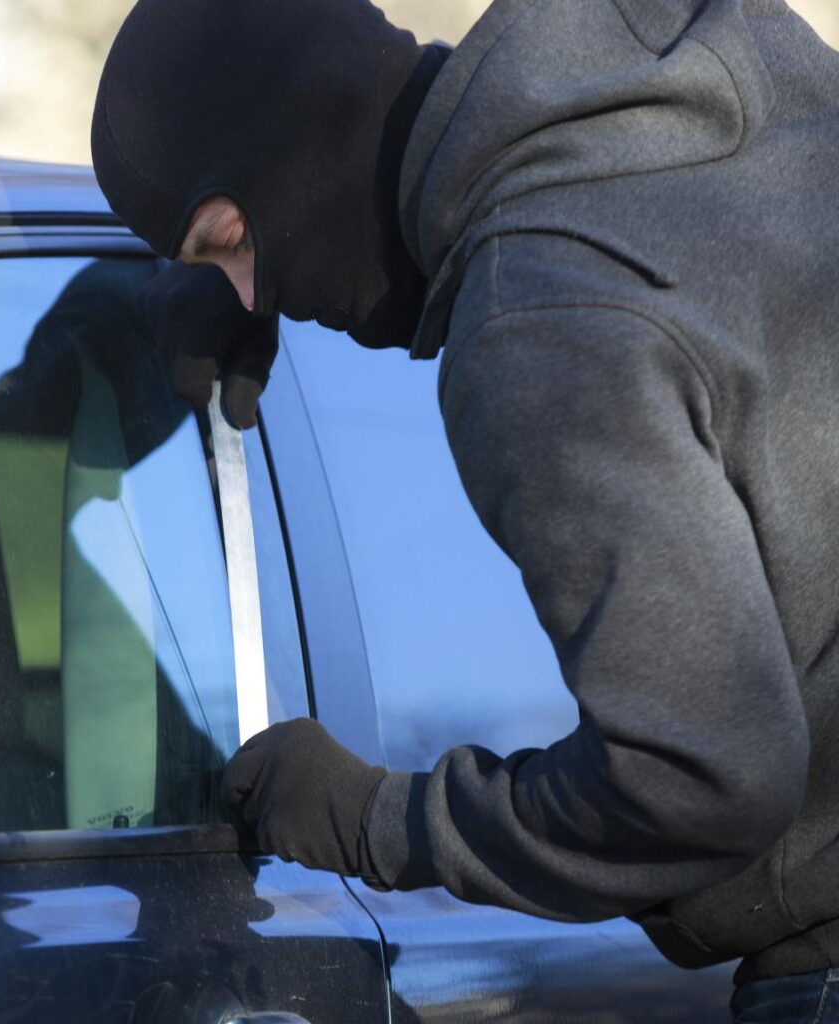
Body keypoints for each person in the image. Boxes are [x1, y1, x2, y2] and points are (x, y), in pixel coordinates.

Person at [89, 0, 839, 1017]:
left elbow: (702, 777)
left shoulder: (537, 331)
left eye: (225, 240)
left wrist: (377, 819)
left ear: (282, 162)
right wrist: (237, 274)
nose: (257, 291)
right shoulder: (723, 70)